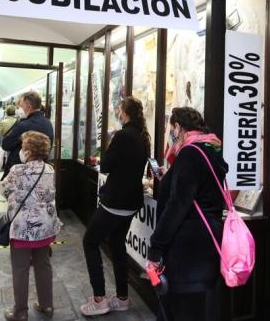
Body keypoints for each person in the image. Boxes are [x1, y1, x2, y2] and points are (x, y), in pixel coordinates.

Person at [146, 107, 227, 321]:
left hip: (188, 253)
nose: (171, 134)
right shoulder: (210, 150)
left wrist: (155, 249)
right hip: (206, 246)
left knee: (180, 310)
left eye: (172, 129)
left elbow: (177, 205)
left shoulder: (190, 153)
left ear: (178, 127)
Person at [80, 96, 150, 316]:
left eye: (119, 110)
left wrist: (111, 146)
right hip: (132, 202)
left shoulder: (122, 136)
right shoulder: (143, 136)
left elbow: (106, 166)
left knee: (90, 241)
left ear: (125, 113)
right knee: (119, 245)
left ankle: (99, 299)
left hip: (115, 202)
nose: (117, 113)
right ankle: (122, 297)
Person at [0, 131, 62, 321]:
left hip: (22, 230)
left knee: (20, 268)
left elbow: (4, 189)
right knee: (43, 265)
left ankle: (20, 312)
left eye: (23, 147)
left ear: (28, 151)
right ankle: (47, 305)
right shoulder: (50, 170)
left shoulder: (17, 170)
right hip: (45, 227)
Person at [1, 91, 54, 180]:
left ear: (29, 107)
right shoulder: (47, 123)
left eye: (21, 106)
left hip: (21, 172)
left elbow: (6, 145)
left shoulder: (24, 125)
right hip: (41, 171)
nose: (18, 109)